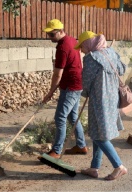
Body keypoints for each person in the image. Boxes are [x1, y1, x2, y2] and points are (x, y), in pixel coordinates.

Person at [75, 31, 128, 180]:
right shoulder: (111, 52)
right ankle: (94, 167)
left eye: (82, 46)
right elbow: (122, 69)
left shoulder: (91, 58)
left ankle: (118, 166)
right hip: (112, 97)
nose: (81, 50)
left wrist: (85, 92)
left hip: (99, 99)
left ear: (88, 43)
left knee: (98, 135)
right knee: (99, 131)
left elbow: (85, 81)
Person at [41, 19, 87, 158]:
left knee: (60, 117)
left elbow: (57, 73)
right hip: (78, 83)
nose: (49, 37)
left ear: (61, 31)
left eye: (52, 34)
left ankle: (56, 150)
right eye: (48, 34)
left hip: (70, 86)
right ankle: (81, 145)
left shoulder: (62, 47)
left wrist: (50, 92)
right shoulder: (73, 40)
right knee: (73, 117)